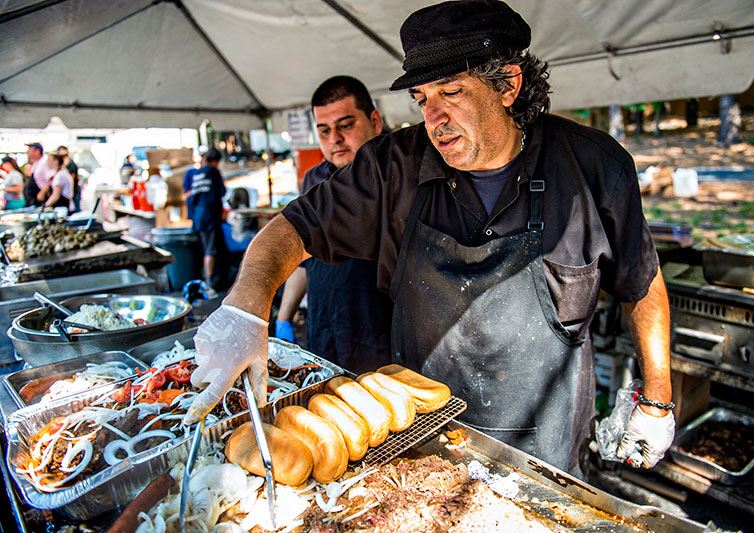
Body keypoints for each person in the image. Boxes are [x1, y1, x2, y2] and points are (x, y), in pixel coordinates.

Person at [185, 0, 674, 477]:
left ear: (507, 83)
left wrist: (657, 398)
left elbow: (640, 282)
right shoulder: (391, 166)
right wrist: (247, 307)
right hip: (421, 435)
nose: (433, 119)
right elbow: (292, 228)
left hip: (548, 442)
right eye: (422, 99)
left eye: (451, 92)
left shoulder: (593, 167)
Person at [274, 76, 394, 373]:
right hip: (323, 328)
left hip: (381, 334)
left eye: (346, 125)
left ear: (375, 122)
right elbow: (304, 257)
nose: (335, 139)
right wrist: (284, 318)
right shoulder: (313, 180)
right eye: (324, 130)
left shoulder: (398, 176)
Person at [183, 148, 226, 293]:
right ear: (215, 161)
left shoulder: (192, 173)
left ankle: (206, 280)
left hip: (197, 218)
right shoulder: (213, 172)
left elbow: (188, 195)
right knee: (211, 250)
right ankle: (209, 285)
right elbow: (222, 192)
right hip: (209, 217)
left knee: (205, 249)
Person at [23, 142, 48, 206]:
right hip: (35, 200)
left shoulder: (44, 162)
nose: (27, 152)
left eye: (29, 150)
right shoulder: (36, 163)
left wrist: (43, 192)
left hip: (43, 199)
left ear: (37, 151)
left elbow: (51, 180)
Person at [57, 146, 81, 211]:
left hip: (73, 191)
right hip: (67, 192)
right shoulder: (63, 164)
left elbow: (72, 179)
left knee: (75, 209)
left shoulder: (71, 163)